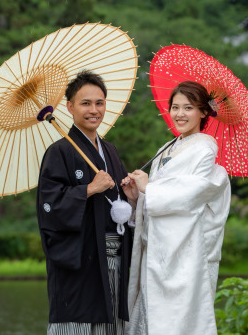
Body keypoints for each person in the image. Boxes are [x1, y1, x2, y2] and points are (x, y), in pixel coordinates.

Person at [120, 81, 231, 335]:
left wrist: (151, 188)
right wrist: (137, 197)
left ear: (203, 112)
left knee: (177, 324)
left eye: (188, 107)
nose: (180, 114)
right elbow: (159, 198)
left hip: (183, 256)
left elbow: (190, 196)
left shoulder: (204, 151)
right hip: (158, 252)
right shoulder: (166, 149)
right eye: (175, 107)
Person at [36, 71, 137, 335]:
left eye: (100, 103)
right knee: (79, 324)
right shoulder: (59, 152)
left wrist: (131, 198)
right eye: (85, 103)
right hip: (81, 260)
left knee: (112, 324)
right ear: (69, 107)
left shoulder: (110, 151)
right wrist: (89, 189)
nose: (94, 110)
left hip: (113, 260)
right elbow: (49, 207)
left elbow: (119, 205)